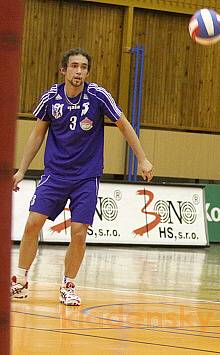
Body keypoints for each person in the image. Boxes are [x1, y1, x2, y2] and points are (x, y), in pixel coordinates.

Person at [10, 48, 154, 306]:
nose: (79, 71)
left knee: (78, 232)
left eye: (83, 67)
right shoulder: (51, 98)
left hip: (86, 177)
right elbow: (37, 135)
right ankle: (20, 280)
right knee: (33, 224)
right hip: (54, 174)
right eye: (74, 66)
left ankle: (68, 285)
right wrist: (21, 170)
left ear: (87, 72)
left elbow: (124, 125)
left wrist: (142, 158)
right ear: (64, 70)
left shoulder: (98, 96)